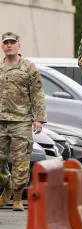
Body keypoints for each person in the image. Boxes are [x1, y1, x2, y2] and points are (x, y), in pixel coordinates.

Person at [0, 32, 47, 211]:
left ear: (19, 46)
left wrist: (39, 119)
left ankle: (18, 197)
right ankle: (8, 186)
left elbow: (37, 94)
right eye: (6, 43)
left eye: (13, 42)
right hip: (1, 121)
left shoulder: (28, 67)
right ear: (2, 47)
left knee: (21, 161)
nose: (9, 45)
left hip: (21, 121)